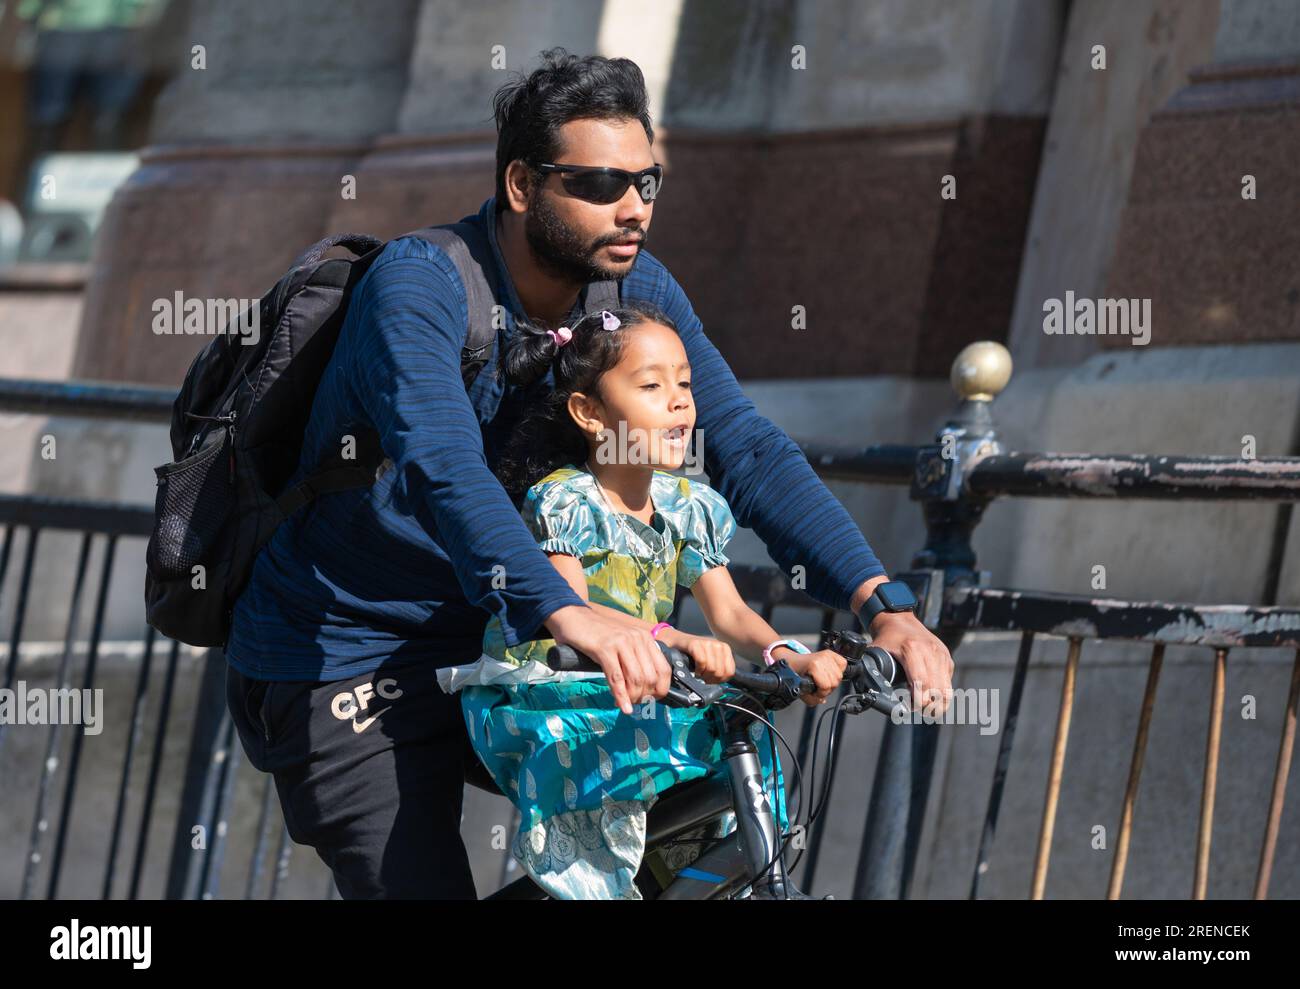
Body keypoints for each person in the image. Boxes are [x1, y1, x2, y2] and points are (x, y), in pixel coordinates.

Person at [224, 47, 954, 900]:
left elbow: (747, 447)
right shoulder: (419, 287)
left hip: (512, 643)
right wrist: (573, 613)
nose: (633, 208)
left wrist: (880, 603)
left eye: (647, 183)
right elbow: (444, 467)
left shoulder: (633, 293)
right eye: (601, 184)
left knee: (690, 834)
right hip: (349, 651)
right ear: (522, 185)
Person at [436, 301, 849, 898]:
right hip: (551, 686)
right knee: (634, 782)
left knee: (750, 759)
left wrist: (788, 653)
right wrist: (673, 638)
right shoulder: (565, 500)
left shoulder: (689, 506)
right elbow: (566, 609)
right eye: (653, 386)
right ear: (590, 413)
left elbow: (729, 613)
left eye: (684, 383)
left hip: (642, 681)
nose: (680, 400)